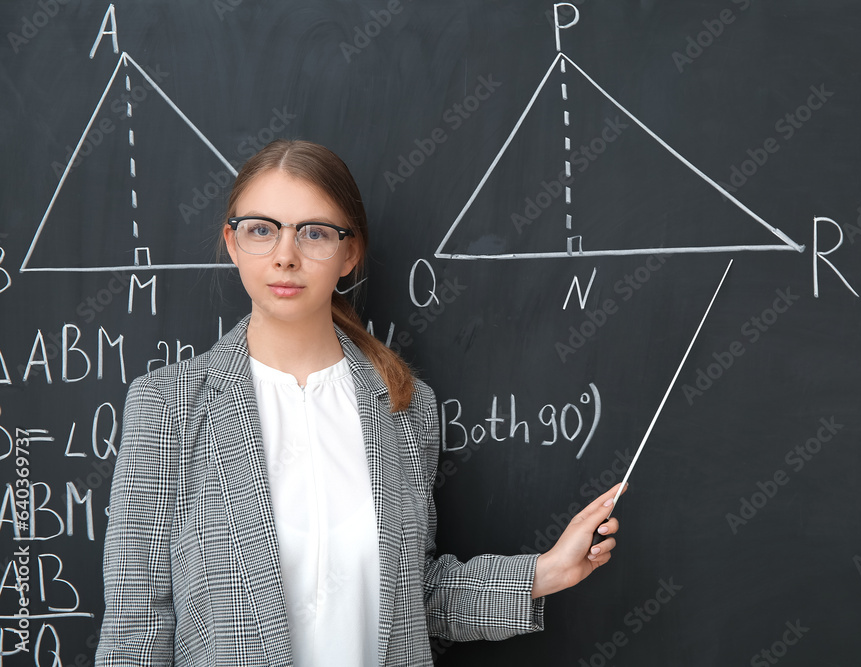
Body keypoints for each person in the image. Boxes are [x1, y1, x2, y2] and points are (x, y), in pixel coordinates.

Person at [95, 139, 623, 667]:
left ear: (349, 254)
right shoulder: (166, 406)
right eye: (262, 229)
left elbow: (413, 599)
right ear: (232, 243)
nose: (285, 255)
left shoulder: (404, 408)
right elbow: (135, 627)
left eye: (315, 233)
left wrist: (545, 572)